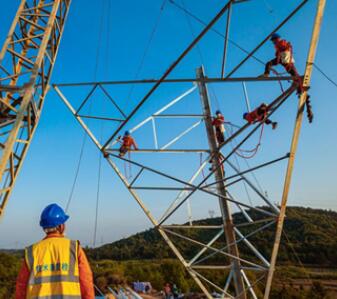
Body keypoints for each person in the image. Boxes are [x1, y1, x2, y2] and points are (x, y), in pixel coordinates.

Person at [15, 204, 95, 299]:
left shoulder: (31, 252)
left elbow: (21, 286)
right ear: (61, 226)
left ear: (44, 228)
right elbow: (86, 281)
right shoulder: (74, 248)